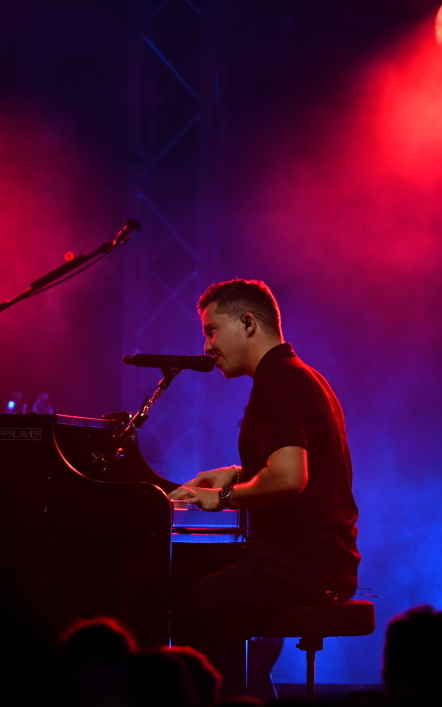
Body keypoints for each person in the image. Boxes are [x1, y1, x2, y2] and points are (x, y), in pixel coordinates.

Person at [169, 279, 360, 683]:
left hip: (300, 567)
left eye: (211, 330)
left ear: (248, 323)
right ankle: (248, 689)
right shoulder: (301, 376)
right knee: (200, 593)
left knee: (185, 609)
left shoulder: (277, 383)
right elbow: (307, 468)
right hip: (318, 562)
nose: (206, 347)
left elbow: (290, 479)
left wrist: (221, 497)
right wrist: (239, 473)